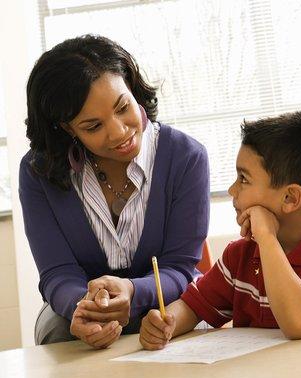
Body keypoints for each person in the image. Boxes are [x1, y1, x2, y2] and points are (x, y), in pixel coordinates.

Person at [19, 34, 209, 348]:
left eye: (123, 107)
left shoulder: (186, 157)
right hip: (82, 306)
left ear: (132, 88)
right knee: (57, 332)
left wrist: (133, 291)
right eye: (93, 126)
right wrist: (83, 305)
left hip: (167, 298)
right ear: (66, 128)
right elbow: (57, 271)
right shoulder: (38, 171)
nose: (119, 132)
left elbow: (180, 267)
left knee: (195, 320)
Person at [139, 111, 301, 350]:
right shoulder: (240, 255)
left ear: (290, 197)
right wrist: (167, 323)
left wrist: (268, 239)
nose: (231, 190)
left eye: (243, 179)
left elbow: (299, 322)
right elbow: (193, 306)